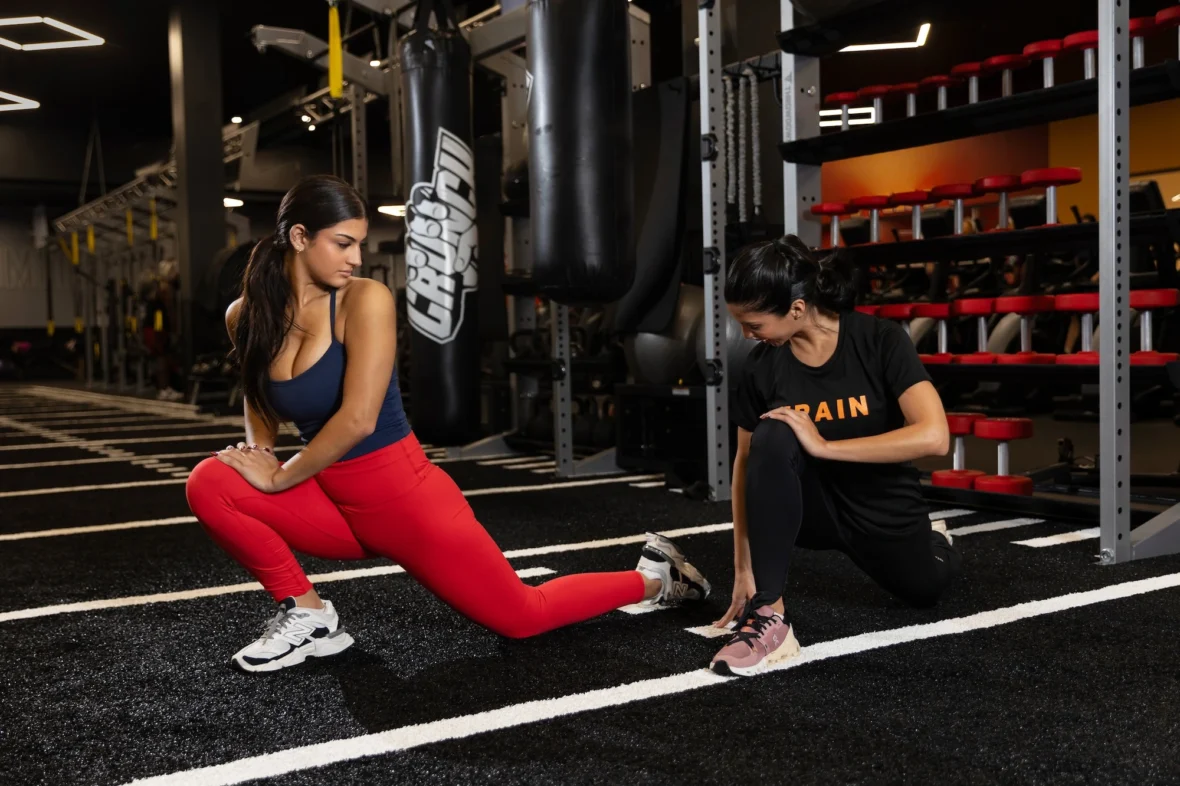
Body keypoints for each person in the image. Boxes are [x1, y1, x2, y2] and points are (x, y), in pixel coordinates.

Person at [184, 175, 709, 673]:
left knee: (522, 617)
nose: (356, 258)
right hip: (332, 505)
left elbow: (360, 418)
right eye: (342, 243)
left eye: (359, 244)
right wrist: (257, 455)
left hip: (406, 503)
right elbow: (260, 402)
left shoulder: (364, 299)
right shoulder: (245, 315)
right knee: (211, 481)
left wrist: (278, 475)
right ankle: (311, 615)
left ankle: (655, 579)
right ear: (299, 237)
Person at [709, 235, 960, 677]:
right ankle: (771, 617)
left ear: (797, 309)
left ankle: (937, 539)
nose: (747, 335)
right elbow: (747, 465)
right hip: (811, 507)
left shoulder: (878, 339)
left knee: (925, 590)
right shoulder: (760, 366)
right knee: (773, 433)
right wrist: (743, 568)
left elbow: (935, 436)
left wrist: (825, 447)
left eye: (755, 324)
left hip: (878, 504)